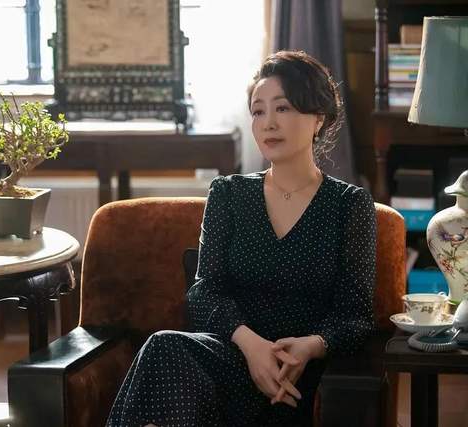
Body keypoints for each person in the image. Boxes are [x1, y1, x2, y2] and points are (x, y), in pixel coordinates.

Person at [106, 50, 377, 427]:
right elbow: (204, 291)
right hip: (231, 359)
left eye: (282, 108)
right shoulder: (229, 194)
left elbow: (356, 316)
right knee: (164, 347)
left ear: (318, 118)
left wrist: (310, 347)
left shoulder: (349, 205)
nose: (268, 123)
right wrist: (251, 346)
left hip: (294, 378)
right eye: (258, 111)